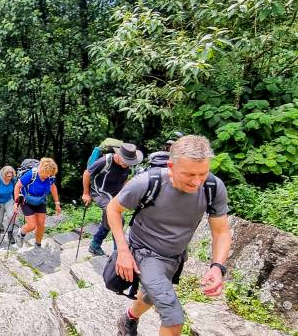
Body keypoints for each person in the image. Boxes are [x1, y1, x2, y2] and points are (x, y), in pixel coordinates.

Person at [107, 135, 232, 336]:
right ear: (171, 166)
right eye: (189, 174)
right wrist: (123, 251)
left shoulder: (213, 187)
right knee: (173, 319)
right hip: (143, 252)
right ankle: (131, 319)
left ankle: (128, 319)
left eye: (203, 173)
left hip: (175, 256)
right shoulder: (147, 183)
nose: (197, 181)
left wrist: (218, 267)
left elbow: (221, 231)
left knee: (150, 295)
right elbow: (113, 209)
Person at [82, 143, 143, 255]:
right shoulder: (105, 161)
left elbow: (126, 179)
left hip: (115, 193)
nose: (126, 164)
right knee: (118, 218)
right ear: (118, 155)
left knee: (110, 219)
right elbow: (87, 174)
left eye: (129, 162)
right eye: (125, 161)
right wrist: (86, 193)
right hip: (100, 192)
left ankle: (95, 244)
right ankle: (118, 252)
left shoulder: (128, 164)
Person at [13, 157, 61, 248]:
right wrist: (16, 202)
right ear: (42, 169)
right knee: (31, 225)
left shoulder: (50, 176)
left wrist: (57, 203)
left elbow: (53, 187)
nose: (48, 176)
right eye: (47, 174)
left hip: (41, 200)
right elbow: (17, 186)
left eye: (50, 174)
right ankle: (21, 233)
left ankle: (38, 245)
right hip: (27, 201)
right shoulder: (32, 174)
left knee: (41, 224)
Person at [0, 166, 18, 243]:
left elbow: (17, 187)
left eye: (11, 175)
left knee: (11, 216)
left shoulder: (13, 180)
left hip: (9, 200)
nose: (10, 177)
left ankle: (10, 233)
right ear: (3, 174)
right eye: (8, 176)